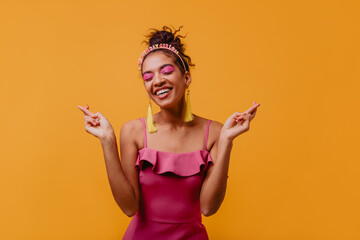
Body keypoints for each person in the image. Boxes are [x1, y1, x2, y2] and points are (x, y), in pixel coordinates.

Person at [78, 26, 260, 240]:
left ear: (187, 78)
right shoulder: (133, 131)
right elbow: (128, 207)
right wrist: (107, 140)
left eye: (166, 71)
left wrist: (227, 141)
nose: (157, 81)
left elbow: (209, 208)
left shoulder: (215, 132)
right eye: (148, 77)